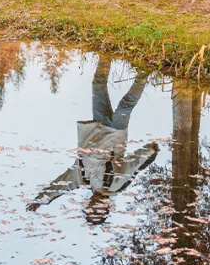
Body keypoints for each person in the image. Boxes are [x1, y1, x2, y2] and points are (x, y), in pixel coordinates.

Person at [27, 61, 158, 223]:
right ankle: (145, 70)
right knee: (125, 106)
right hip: (115, 132)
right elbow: (133, 167)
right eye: (99, 212)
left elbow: (60, 185)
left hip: (97, 127)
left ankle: (105, 56)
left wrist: (41, 200)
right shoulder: (115, 186)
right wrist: (150, 151)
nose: (95, 207)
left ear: (87, 205)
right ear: (106, 208)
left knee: (98, 85)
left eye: (91, 210)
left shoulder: (82, 179)